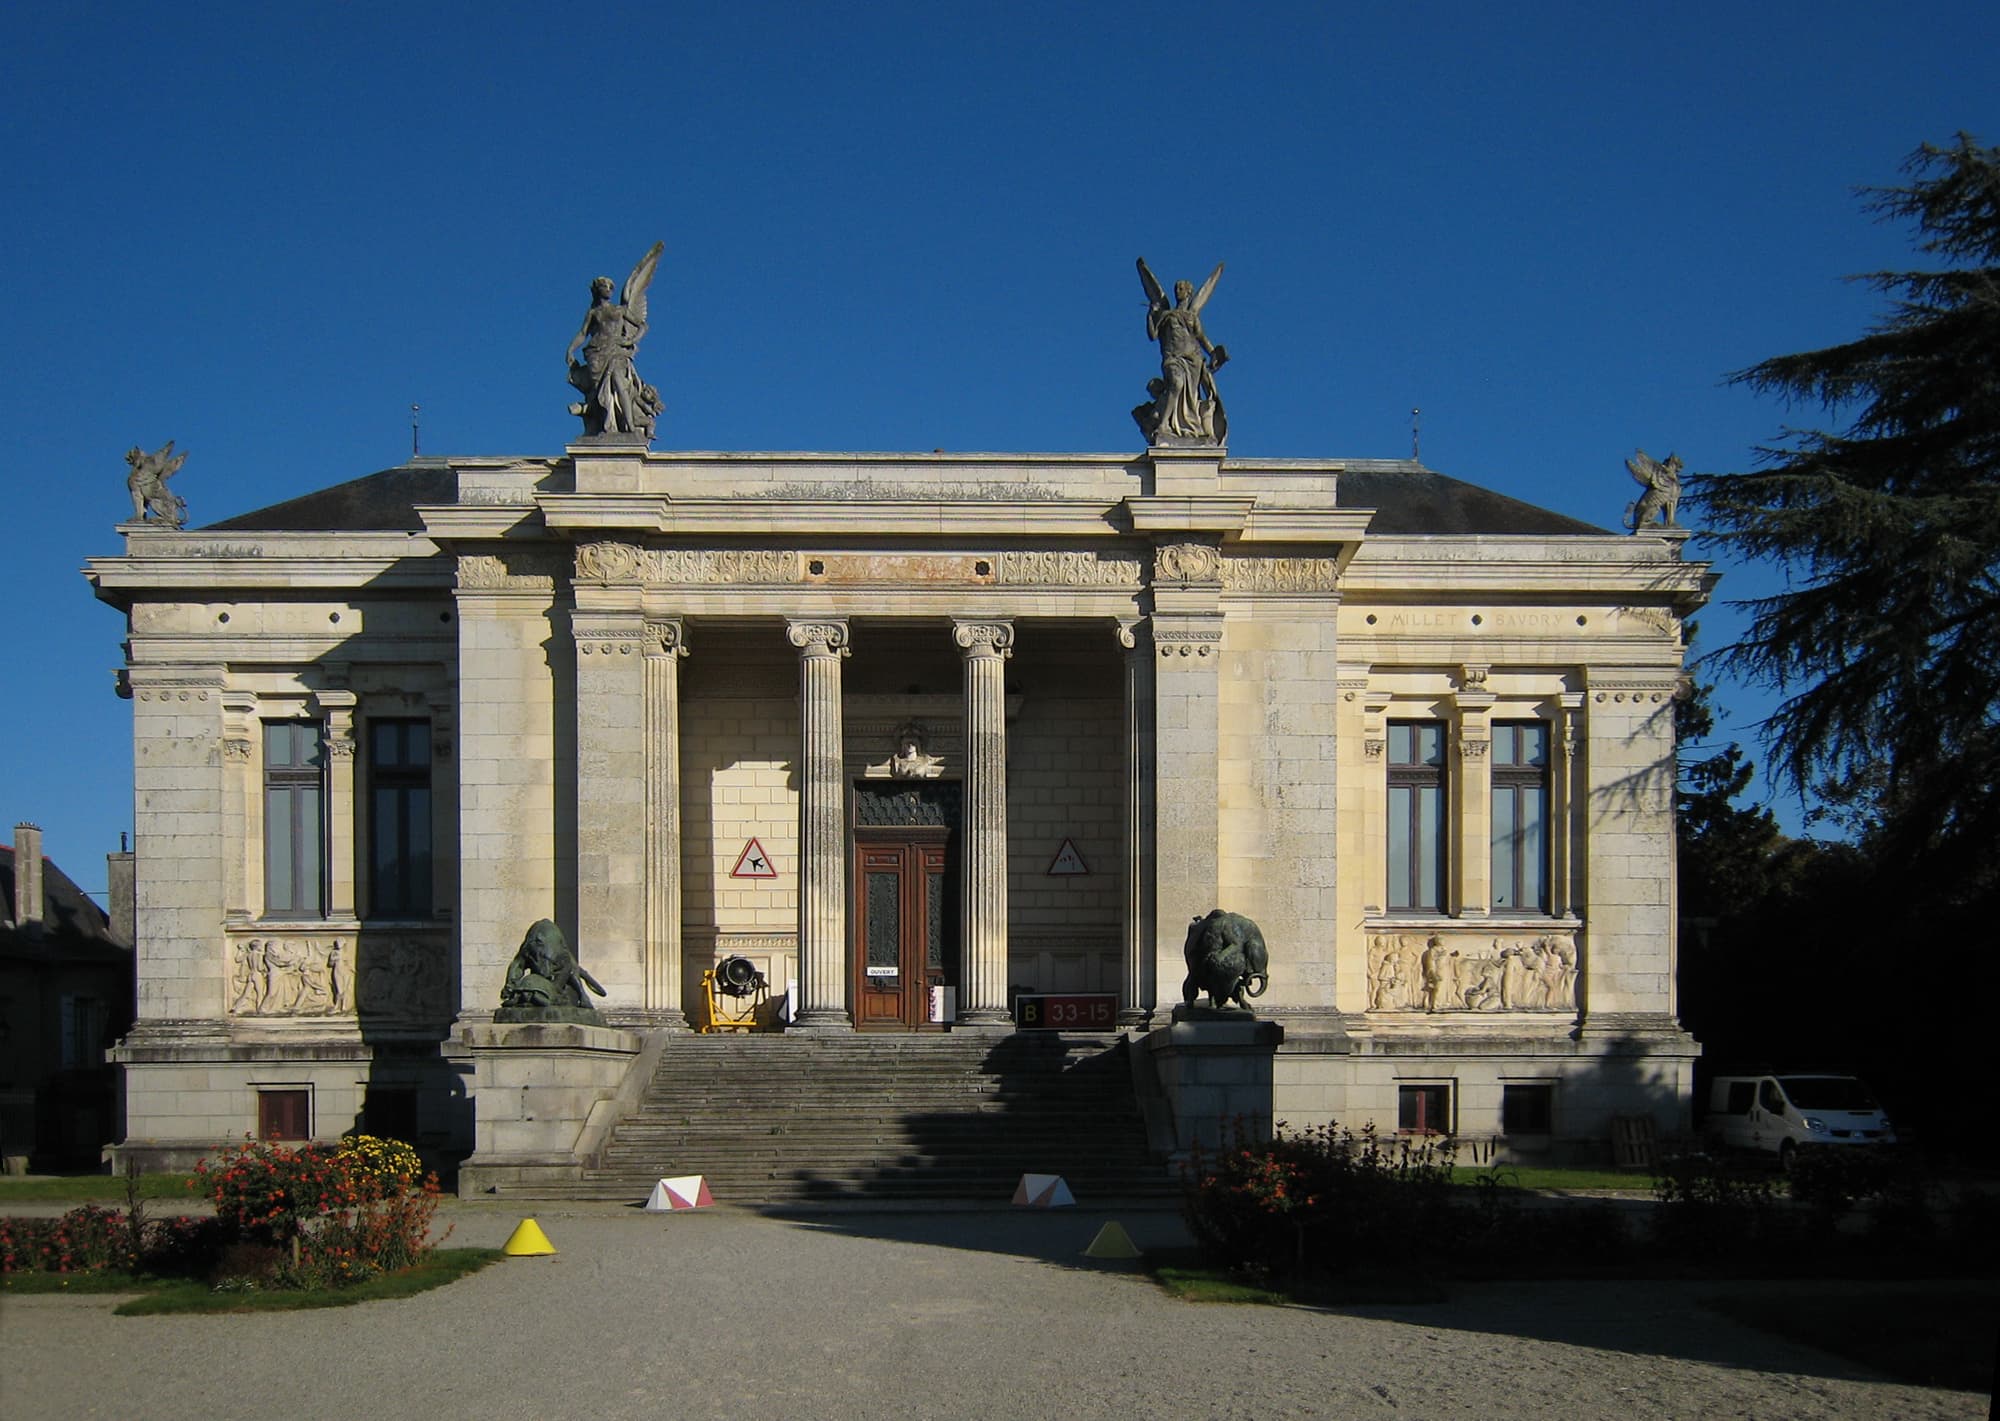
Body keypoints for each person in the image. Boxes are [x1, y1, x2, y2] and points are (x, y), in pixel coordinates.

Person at [566, 243, 663, 438]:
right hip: (596, 353)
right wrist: (570, 349)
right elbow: (583, 333)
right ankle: (603, 425)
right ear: (597, 290)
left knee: (619, 384)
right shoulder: (594, 312)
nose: (609, 289)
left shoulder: (620, 310)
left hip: (617, 350)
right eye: (605, 286)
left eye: (611, 287)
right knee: (600, 392)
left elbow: (643, 326)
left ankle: (628, 426)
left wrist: (631, 340)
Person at [1134, 259, 1229, 443]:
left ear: (1189, 293)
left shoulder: (1192, 317)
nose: (1178, 291)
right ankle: (1163, 425)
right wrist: (1150, 315)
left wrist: (1214, 354)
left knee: (1190, 398)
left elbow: (1202, 339)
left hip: (1193, 361)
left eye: (1181, 289)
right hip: (1173, 358)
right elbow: (1153, 335)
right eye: (1176, 288)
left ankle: (1185, 428)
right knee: (1175, 384)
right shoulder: (1167, 315)